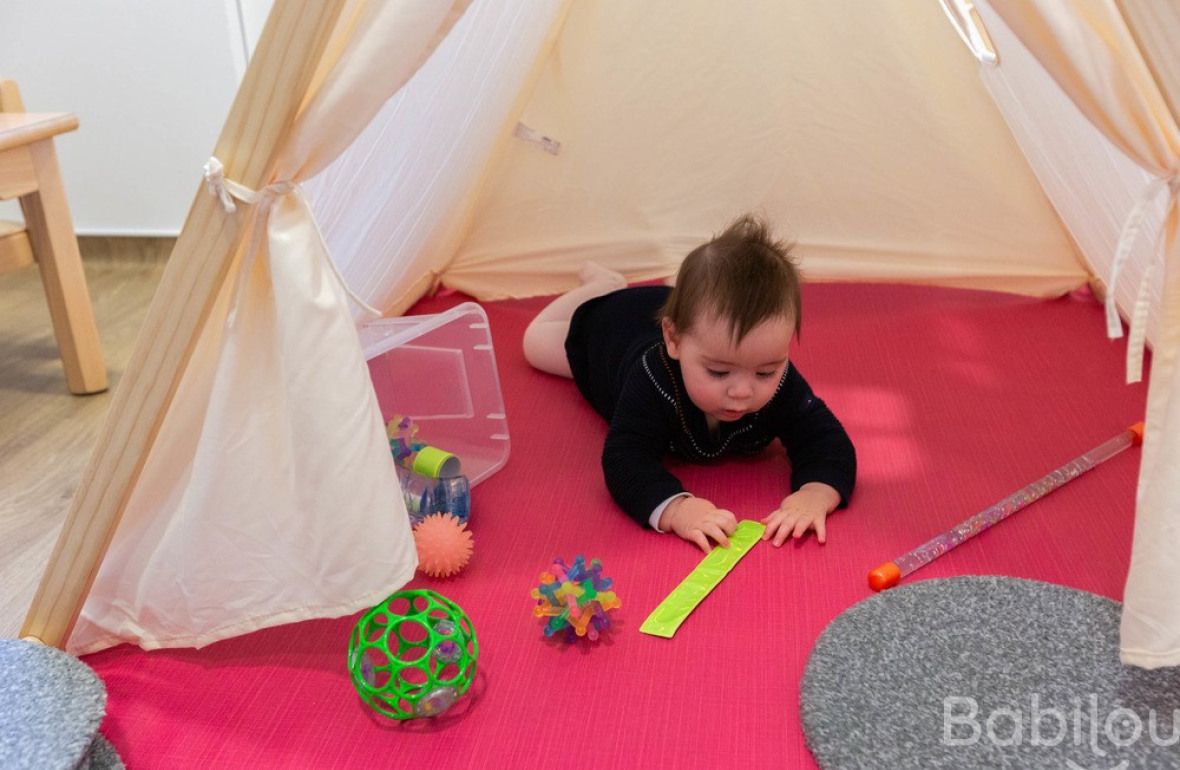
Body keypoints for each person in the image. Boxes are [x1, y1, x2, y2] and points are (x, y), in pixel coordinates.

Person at [522, 215, 856, 553]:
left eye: (765, 372)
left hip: (681, 313)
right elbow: (625, 458)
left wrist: (815, 492)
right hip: (609, 330)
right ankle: (600, 288)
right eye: (719, 372)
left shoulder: (776, 376)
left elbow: (825, 437)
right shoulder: (651, 381)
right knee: (534, 343)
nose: (742, 391)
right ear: (674, 340)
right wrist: (676, 508)